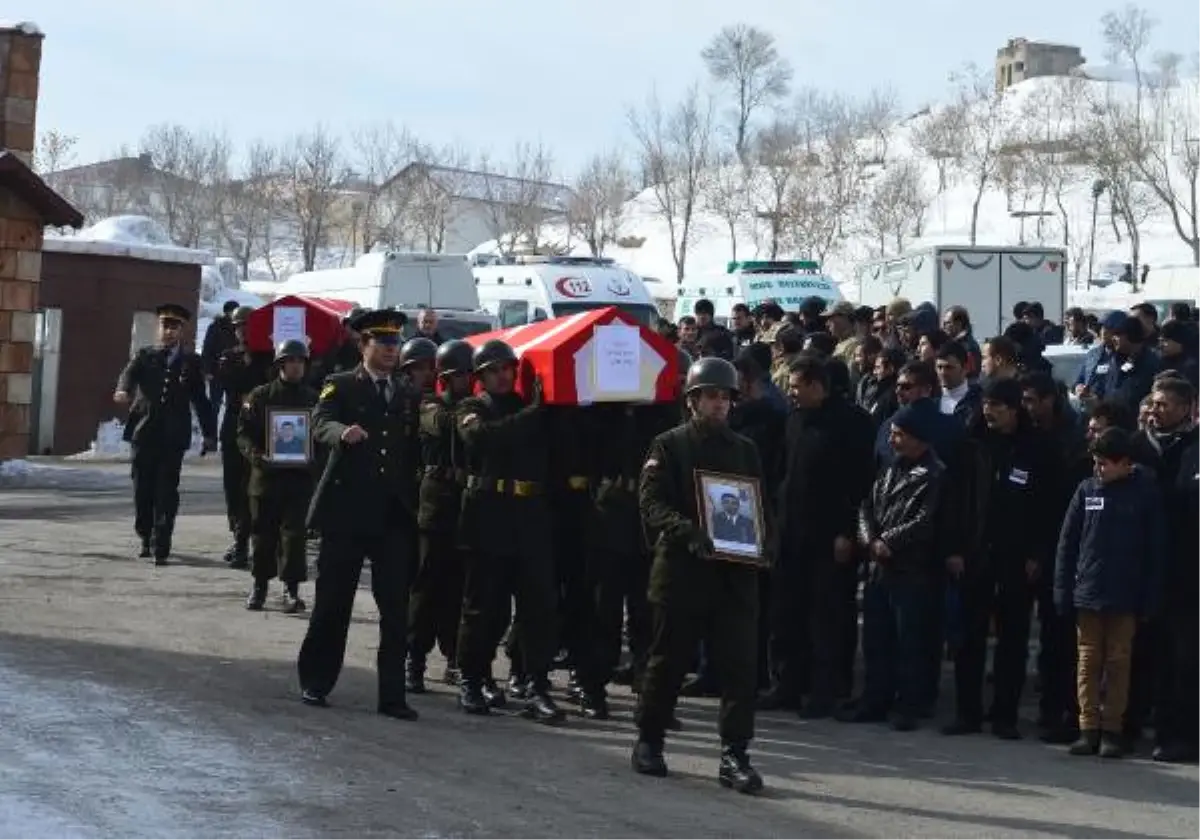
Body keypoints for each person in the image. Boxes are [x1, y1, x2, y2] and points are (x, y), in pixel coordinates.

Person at [633, 356, 766, 795]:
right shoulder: (669, 445)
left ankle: (735, 755)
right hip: (683, 573)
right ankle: (650, 741)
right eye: (711, 396)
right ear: (692, 401)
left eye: (726, 397)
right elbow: (651, 504)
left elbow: (759, 509)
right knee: (667, 663)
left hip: (734, 577)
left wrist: (766, 546)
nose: (719, 404)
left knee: (739, 670)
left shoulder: (745, 450)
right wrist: (686, 530)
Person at [296, 308, 422, 721]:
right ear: (363, 345)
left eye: (394, 343)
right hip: (347, 513)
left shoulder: (406, 393)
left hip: (392, 516)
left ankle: (391, 695)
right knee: (334, 602)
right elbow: (320, 422)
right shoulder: (341, 386)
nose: (390, 350)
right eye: (382, 343)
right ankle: (316, 680)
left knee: (395, 609)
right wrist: (341, 434)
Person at [454, 339, 563, 724]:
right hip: (489, 516)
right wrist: (534, 413)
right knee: (485, 607)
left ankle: (536, 684)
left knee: (538, 607)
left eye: (507, 369)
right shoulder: (472, 408)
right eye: (493, 370)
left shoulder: (530, 410)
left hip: (530, 516)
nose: (502, 376)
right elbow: (482, 439)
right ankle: (472, 676)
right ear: (480, 377)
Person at [1055, 427, 1165, 759]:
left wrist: (1150, 597)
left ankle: (1112, 730)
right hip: (1088, 592)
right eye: (1096, 462)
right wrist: (1062, 589)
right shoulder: (1085, 491)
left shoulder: (1145, 495)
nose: (1098, 469)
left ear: (1125, 463)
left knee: (1119, 662)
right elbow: (1067, 544)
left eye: (1105, 463)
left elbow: (1156, 552)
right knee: (1088, 661)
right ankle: (1087, 728)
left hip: (1125, 596)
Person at [843, 401, 946, 731]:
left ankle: (910, 705)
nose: (893, 441)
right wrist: (869, 538)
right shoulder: (889, 468)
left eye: (899, 435)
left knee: (909, 642)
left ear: (918, 438)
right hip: (878, 567)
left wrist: (890, 542)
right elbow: (866, 507)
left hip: (910, 570)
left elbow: (926, 520)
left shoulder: (934, 473)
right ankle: (876, 699)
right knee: (877, 639)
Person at [114, 303, 216, 564]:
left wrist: (209, 434)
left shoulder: (191, 362)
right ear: (158, 327)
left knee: (166, 492)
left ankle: (162, 542)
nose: (169, 331)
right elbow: (128, 374)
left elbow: (201, 400)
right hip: (144, 432)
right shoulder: (145, 355)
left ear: (182, 330)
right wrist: (123, 390)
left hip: (173, 437)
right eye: (165, 325)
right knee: (142, 490)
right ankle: (145, 533)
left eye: (175, 327)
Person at [406, 339, 474, 693]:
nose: (466, 381)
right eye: (460, 375)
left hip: (466, 504)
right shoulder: (428, 405)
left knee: (458, 590)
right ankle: (415, 658)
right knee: (426, 586)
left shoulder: (474, 407)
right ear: (445, 377)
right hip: (434, 504)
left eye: (469, 374)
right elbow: (444, 423)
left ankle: (455, 657)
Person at [237, 339, 319, 612]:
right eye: (291, 361)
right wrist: (257, 456)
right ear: (280, 364)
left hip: (299, 481)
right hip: (266, 480)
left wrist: (314, 459)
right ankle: (259, 586)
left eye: (300, 361)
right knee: (263, 535)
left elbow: (320, 437)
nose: (296, 366)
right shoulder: (260, 396)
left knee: (294, 537)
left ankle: (291, 589)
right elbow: (243, 434)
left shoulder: (313, 399)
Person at [214, 305, 267, 568]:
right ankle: (238, 536)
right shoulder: (229, 357)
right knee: (233, 486)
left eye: (246, 325)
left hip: (258, 429)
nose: (242, 331)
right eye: (238, 327)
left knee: (253, 487)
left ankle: (249, 539)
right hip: (233, 427)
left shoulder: (268, 357)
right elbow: (227, 384)